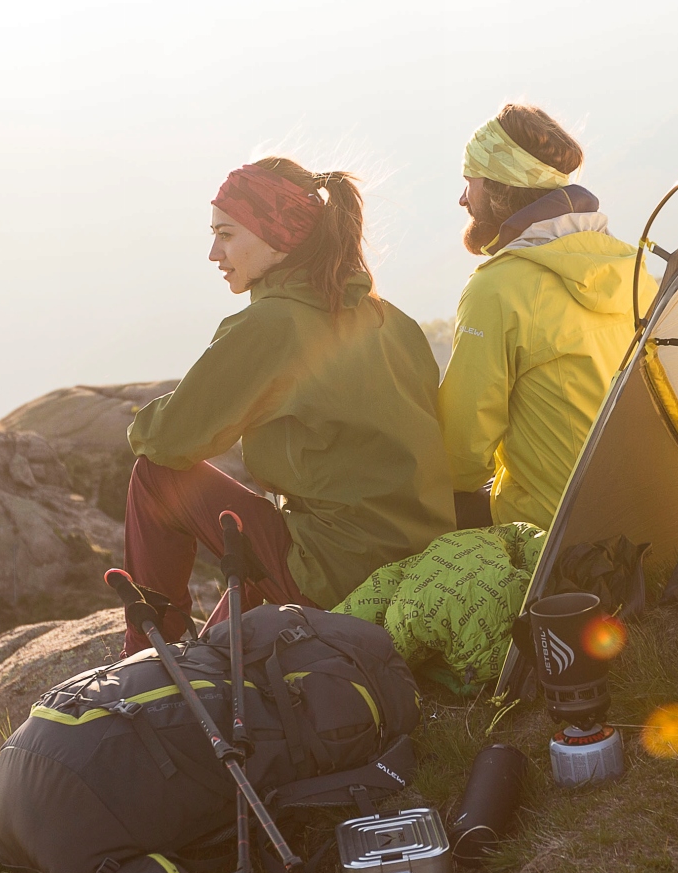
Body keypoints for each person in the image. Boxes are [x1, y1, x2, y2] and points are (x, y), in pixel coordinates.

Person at [121, 158, 454, 651]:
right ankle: (203, 653)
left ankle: (147, 654)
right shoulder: (392, 320)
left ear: (278, 238)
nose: (213, 253)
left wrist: (147, 420)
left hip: (337, 573)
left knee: (156, 477)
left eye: (227, 235)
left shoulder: (273, 325)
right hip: (422, 564)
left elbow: (169, 441)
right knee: (232, 619)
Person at [438, 104, 637, 532]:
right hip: (637, 514)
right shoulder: (626, 266)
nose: (462, 199)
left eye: (469, 182)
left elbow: (460, 454)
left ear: (498, 188)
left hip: (552, 528)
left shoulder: (498, 287)